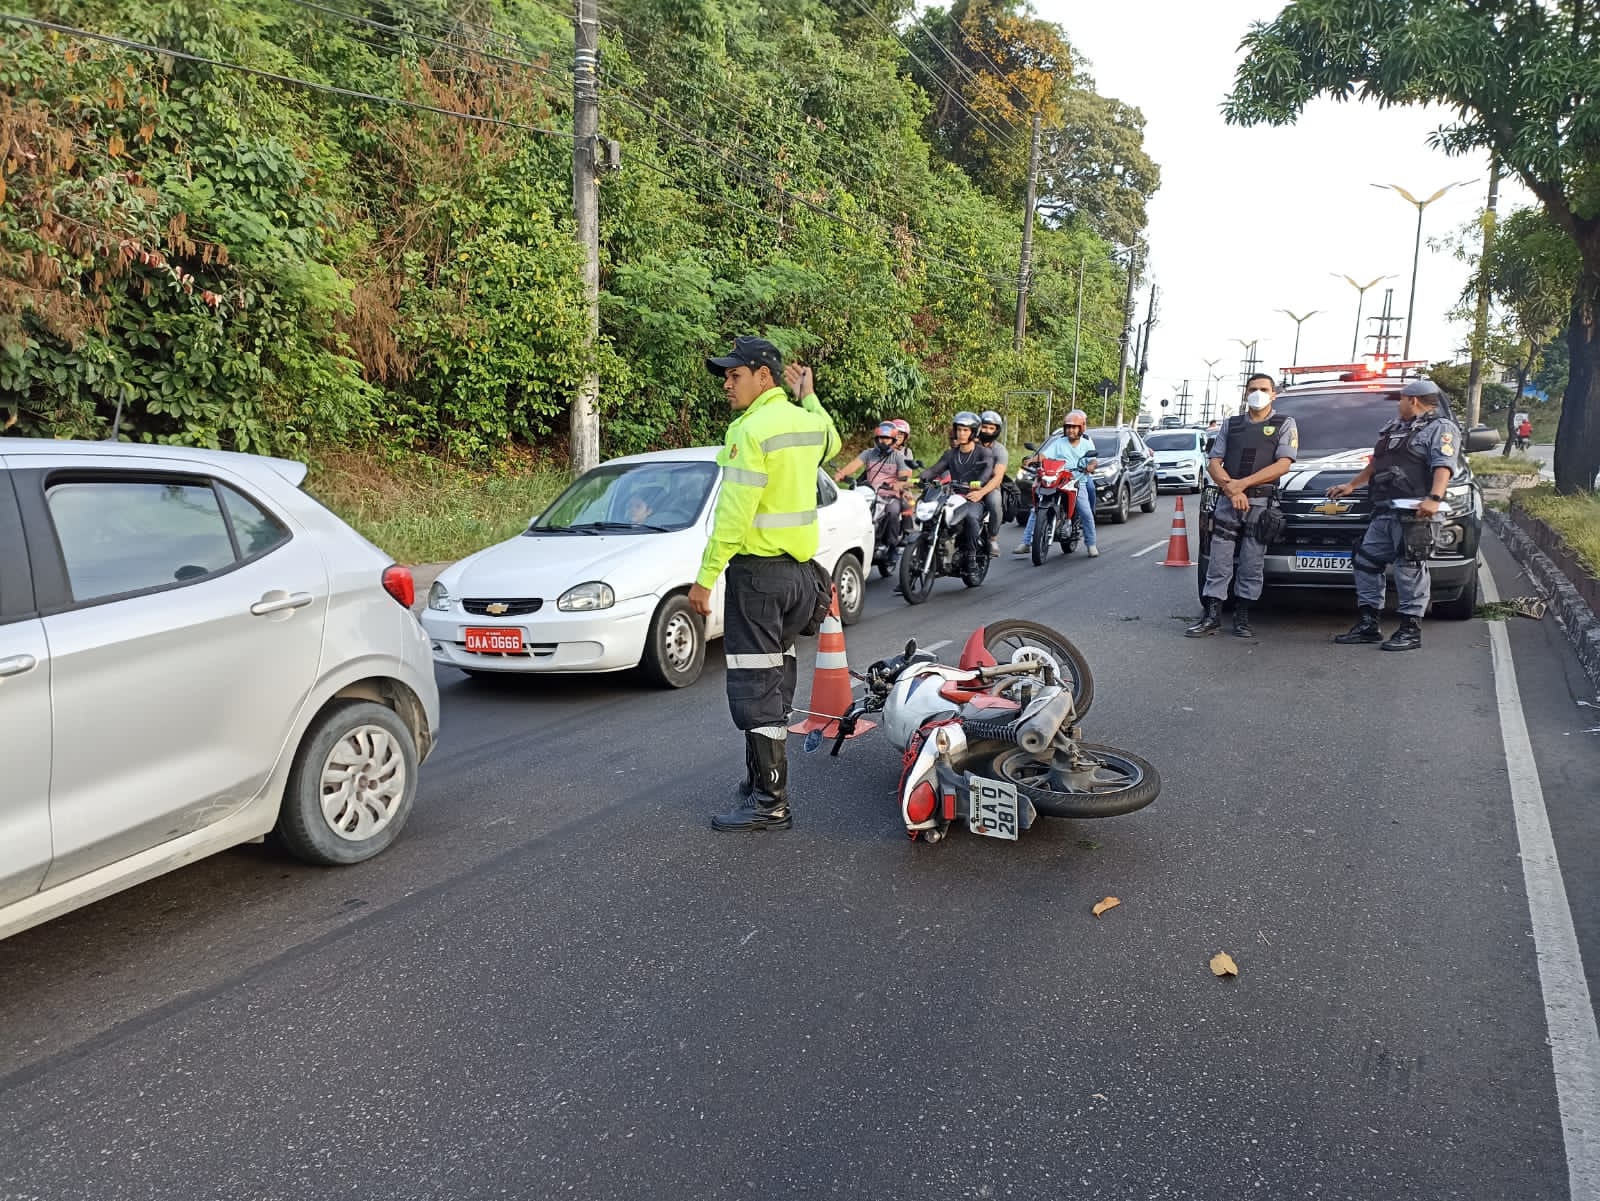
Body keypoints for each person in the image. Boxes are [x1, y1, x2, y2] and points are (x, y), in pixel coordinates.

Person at [691, 336, 841, 832]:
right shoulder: (804, 421)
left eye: (735, 375)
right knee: (774, 681)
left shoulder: (749, 431)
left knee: (756, 687)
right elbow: (832, 440)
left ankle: (769, 804)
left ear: (764, 375)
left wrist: (705, 580)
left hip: (758, 579)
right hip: (799, 579)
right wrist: (809, 394)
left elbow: (733, 519)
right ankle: (759, 783)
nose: (727, 385)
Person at [1325, 377, 1460, 652]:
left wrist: (1434, 498)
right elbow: (1377, 463)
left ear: (1413, 400)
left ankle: (1410, 629)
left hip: (1415, 512)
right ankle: (1368, 625)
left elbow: (1443, 466)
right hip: (1385, 509)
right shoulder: (1394, 428)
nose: (1398, 404)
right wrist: (1351, 485)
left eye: (1401, 399)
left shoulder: (1440, 428)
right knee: (1365, 561)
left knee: (1408, 567)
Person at [1186, 374, 1298, 638]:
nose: (1257, 393)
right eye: (1252, 389)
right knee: (1219, 559)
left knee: (1252, 561)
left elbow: (1283, 464)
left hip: (1260, 503)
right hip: (1229, 500)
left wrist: (1241, 485)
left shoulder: (1284, 423)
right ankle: (1212, 616)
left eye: (1263, 389)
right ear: (1245, 393)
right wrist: (1229, 488)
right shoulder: (1232, 424)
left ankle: (1242, 617)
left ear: (1273, 394)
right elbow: (1214, 461)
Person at [917, 411, 996, 574]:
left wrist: (979, 483)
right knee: (930, 516)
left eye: (965, 430)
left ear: (973, 432)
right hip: (952, 495)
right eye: (959, 430)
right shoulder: (951, 454)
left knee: (971, 518)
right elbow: (935, 469)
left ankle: (972, 557)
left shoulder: (983, 452)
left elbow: (987, 471)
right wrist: (920, 478)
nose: (961, 433)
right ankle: (915, 566)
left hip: (974, 497)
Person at [1014, 410, 1099, 558]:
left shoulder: (1086, 444)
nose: (1071, 430)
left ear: (1081, 429)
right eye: (1068, 427)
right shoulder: (1059, 442)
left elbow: (1093, 460)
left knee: (1086, 512)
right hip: (1057, 480)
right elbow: (1045, 455)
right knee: (1036, 509)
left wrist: (1091, 466)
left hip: (1077, 481)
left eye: (1074, 427)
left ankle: (1091, 544)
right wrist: (1033, 459)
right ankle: (1026, 543)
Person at [833, 421, 913, 561]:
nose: (883, 441)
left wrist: (898, 484)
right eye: (881, 438)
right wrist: (841, 475)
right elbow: (854, 465)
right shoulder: (868, 453)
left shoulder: (899, 457)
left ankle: (892, 546)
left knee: (893, 511)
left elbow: (904, 476)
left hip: (889, 496)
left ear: (893, 440)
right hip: (869, 494)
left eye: (887, 438)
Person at [976, 409, 1009, 556]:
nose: (987, 431)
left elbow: (997, 478)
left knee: (995, 502)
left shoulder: (1000, 450)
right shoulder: (969, 444)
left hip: (988, 487)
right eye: (984, 426)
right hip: (964, 484)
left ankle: (992, 538)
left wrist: (981, 492)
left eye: (991, 428)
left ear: (997, 430)